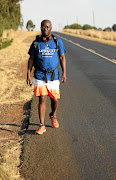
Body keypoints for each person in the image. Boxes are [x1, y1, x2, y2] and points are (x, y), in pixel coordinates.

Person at [27, 19, 66, 135]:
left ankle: (53, 115)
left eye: (48, 27)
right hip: (39, 75)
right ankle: (42, 124)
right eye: (43, 27)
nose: (45, 29)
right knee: (42, 98)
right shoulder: (36, 43)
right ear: (40, 28)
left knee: (55, 100)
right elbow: (31, 59)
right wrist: (28, 74)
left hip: (53, 76)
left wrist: (64, 73)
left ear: (51, 28)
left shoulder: (57, 41)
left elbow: (62, 57)